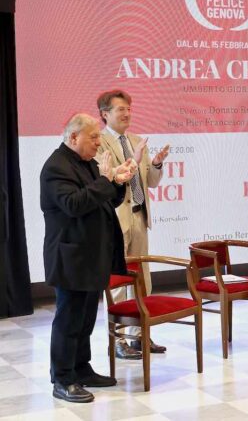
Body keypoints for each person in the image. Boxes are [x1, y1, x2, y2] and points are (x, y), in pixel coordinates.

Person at [41, 113, 134, 403]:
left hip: (92, 256)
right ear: (73, 138)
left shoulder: (89, 162)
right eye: (93, 137)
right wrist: (106, 180)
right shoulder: (56, 167)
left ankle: (82, 369)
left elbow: (106, 199)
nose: (98, 142)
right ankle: (63, 378)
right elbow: (73, 204)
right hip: (70, 257)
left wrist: (118, 182)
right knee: (68, 320)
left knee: (85, 320)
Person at [96, 90, 170, 359]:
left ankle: (141, 336)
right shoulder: (99, 142)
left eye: (129, 109)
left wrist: (157, 164)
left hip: (139, 215)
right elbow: (110, 177)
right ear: (105, 114)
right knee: (116, 280)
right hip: (115, 220)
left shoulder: (138, 140)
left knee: (142, 278)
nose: (127, 114)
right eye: (120, 110)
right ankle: (117, 340)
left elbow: (149, 181)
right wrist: (134, 161)